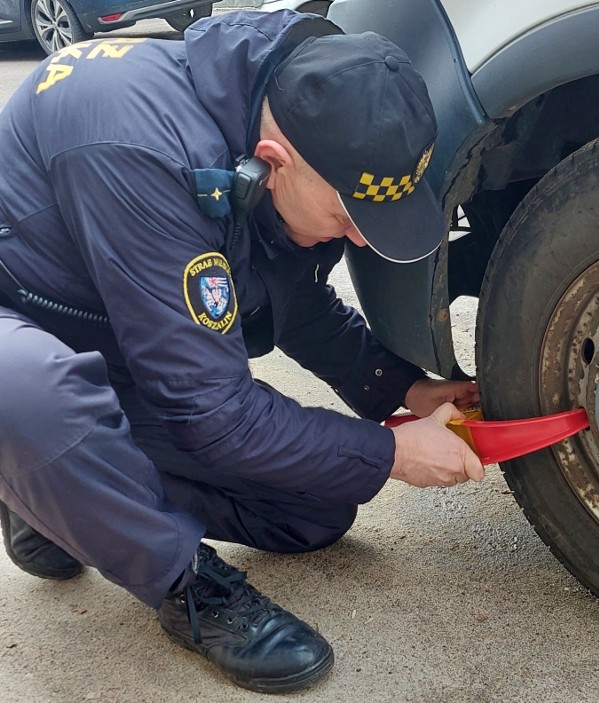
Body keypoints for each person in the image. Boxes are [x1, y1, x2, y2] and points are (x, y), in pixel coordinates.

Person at [0, 9, 484, 694]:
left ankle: (58, 497)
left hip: (120, 331)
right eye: (350, 217)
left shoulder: (276, 114)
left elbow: (294, 299)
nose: (359, 239)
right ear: (277, 165)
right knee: (28, 398)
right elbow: (216, 415)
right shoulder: (144, 146)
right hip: (18, 325)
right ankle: (183, 584)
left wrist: (402, 390)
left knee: (313, 510)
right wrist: (396, 454)